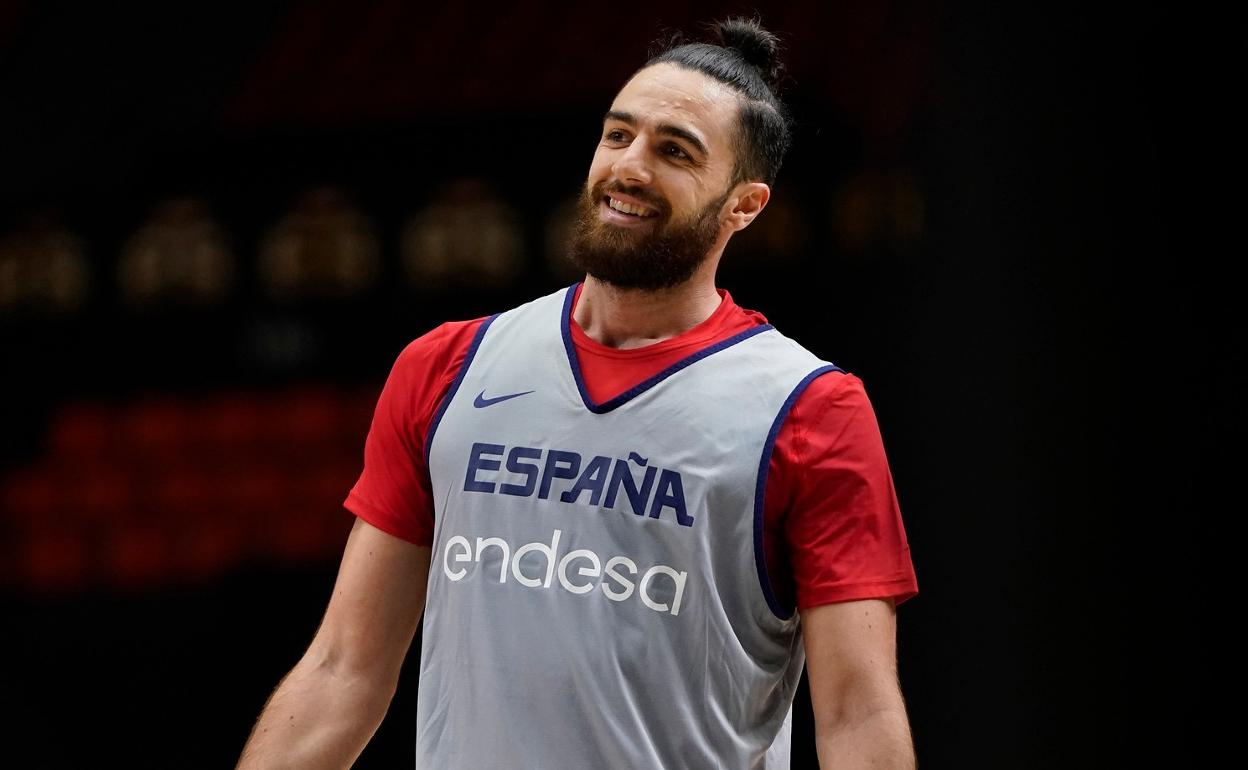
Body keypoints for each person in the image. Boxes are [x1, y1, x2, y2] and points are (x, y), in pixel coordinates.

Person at [237, 18, 918, 770]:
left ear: (744, 205)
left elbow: (858, 714)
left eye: (674, 151)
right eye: (618, 135)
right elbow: (343, 671)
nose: (629, 166)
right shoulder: (448, 366)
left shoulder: (811, 410)